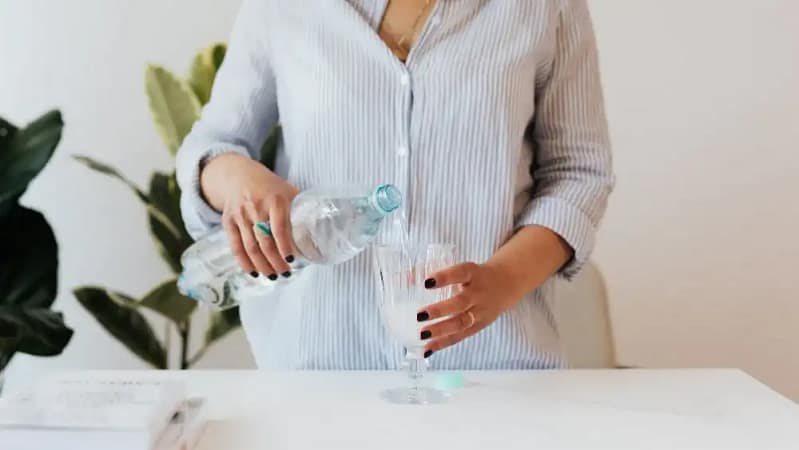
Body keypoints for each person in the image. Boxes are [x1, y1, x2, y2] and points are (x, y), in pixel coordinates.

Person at [176, 0, 614, 369]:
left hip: (493, 373)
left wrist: (502, 280)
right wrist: (239, 179)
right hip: (316, 369)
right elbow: (212, 147)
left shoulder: (545, 7)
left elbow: (579, 173)